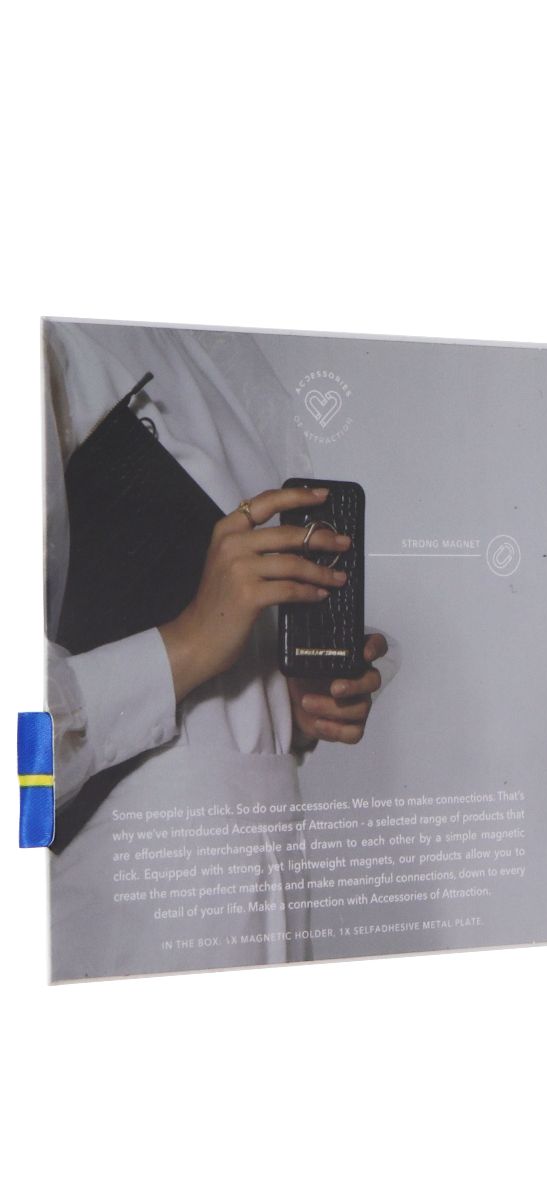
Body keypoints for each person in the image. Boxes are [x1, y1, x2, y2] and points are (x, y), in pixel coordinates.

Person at [44, 321, 392, 980]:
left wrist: (281, 698)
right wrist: (188, 645)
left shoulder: (211, 349)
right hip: (134, 897)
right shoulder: (50, 336)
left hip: (269, 876)